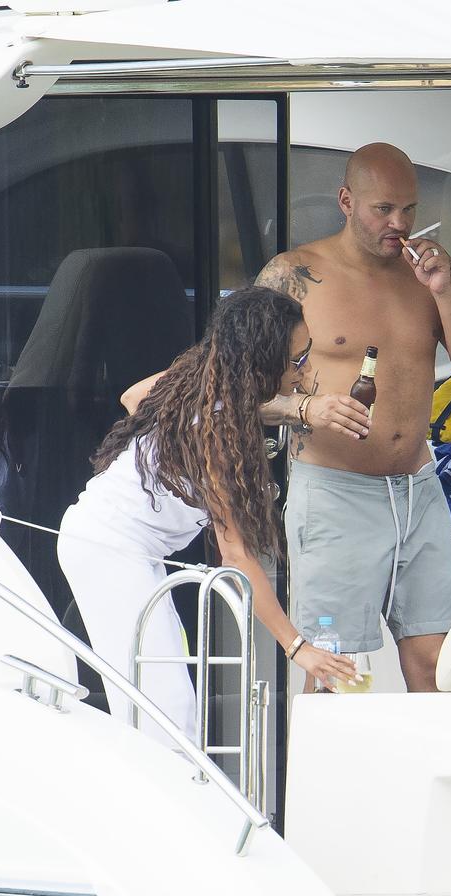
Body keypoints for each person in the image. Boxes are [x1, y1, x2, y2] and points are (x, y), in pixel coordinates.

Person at [58, 286, 357, 745]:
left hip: (120, 547)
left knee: (160, 702)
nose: (306, 370)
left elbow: (135, 396)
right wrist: (298, 648)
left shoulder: (203, 379)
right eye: (298, 360)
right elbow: (235, 555)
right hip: (109, 549)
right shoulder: (216, 428)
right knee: (163, 714)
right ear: (260, 361)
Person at [255, 142, 451, 692]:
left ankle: (429, 778)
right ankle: (336, 780)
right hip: (335, 491)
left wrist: (448, 291)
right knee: (336, 671)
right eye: (382, 209)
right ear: (346, 200)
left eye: (409, 210)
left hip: (418, 488)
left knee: (439, 663)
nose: (399, 223)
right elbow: (235, 393)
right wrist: (307, 407)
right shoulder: (294, 274)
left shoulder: (427, 274)